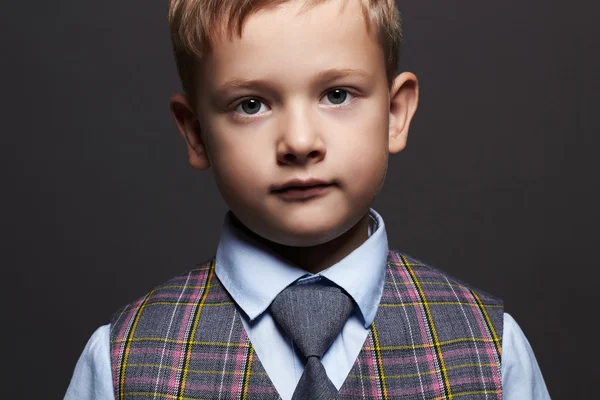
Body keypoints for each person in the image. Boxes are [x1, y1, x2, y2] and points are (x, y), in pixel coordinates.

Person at [65, 0, 550, 399]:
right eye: (250, 104)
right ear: (195, 132)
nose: (299, 142)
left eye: (337, 95)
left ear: (395, 113)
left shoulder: (491, 350)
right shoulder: (122, 363)